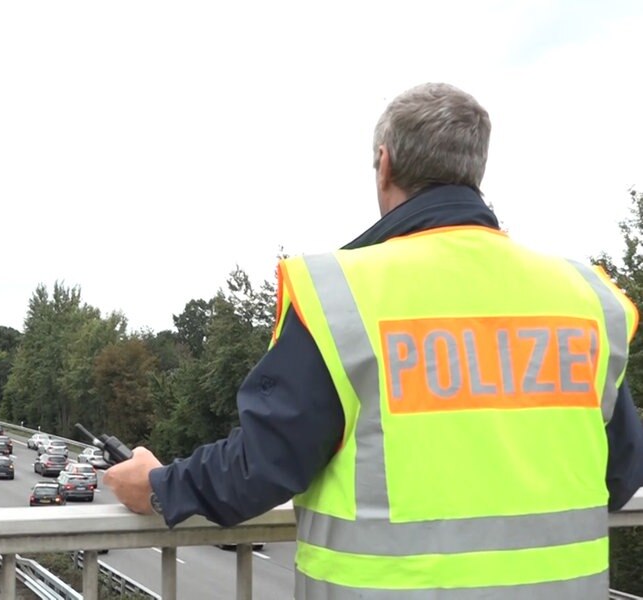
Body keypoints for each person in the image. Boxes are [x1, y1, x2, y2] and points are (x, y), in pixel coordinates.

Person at [104, 82, 643, 598]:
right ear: (475, 169)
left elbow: (263, 464)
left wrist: (160, 485)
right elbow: (620, 476)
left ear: (385, 163)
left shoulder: (345, 297)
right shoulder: (582, 298)